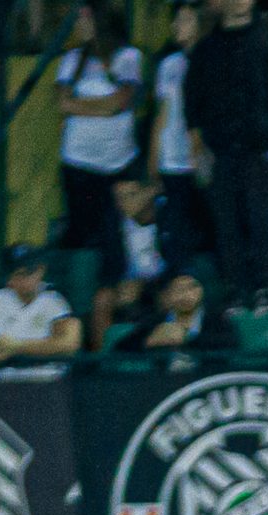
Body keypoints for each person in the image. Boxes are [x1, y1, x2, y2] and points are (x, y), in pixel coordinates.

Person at [186, 0, 268, 312]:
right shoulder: (206, 49)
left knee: (261, 220)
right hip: (220, 150)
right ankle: (234, 289)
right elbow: (193, 101)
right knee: (226, 222)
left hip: (257, 148)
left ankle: (265, 289)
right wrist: (197, 146)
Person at [53, 3, 145, 251]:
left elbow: (120, 103)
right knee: (83, 234)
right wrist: (102, 107)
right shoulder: (72, 60)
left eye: (85, 20)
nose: (79, 26)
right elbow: (62, 103)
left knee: (116, 235)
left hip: (117, 160)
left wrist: (81, 105)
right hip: (78, 160)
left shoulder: (127, 57)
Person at [91, 177, 186, 345]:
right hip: (126, 283)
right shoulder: (113, 222)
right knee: (103, 299)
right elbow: (107, 267)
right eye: (119, 198)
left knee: (174, 294)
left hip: (163, 282)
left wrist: (145, 285)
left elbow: (179, 262)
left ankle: (174, 353)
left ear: (150, 192)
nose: (123, 203)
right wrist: (119, 285)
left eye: (131, 195)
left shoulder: (170, 216)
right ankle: (103, 357)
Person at [0, 246, 82, 371]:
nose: (24, 280)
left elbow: (70, 343)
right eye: (18, 274)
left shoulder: (55, 299)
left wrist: (17, 347)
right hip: (4, 382)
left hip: (48, 381)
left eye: (29, 273)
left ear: (41, 270)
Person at [148, 2, 206, 257]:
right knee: (174, 233)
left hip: (201, 159)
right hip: (172, 161)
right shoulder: (169, 64)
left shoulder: (211, 60)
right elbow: (162, 114)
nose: (176, 26)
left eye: (184, 20)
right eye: (176, 20)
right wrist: (154, 157)